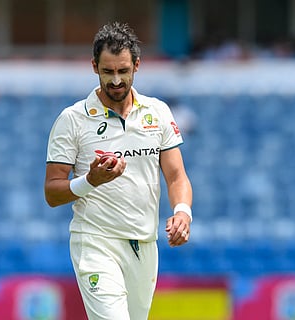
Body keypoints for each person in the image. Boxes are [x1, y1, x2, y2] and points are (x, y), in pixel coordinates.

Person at [44, 22, 193, 320]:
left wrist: (182, 212)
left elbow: (177, 176)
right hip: (96, 242)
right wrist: (89, 181)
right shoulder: (72, 120)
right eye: (107, 71)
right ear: (94, 67)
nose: (115, 80)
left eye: (123, 71)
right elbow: (52, 192)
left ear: (137, 65)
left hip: (144, 245)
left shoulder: (158, 112)